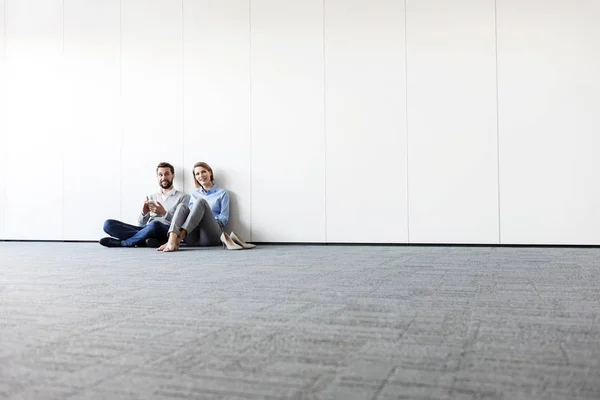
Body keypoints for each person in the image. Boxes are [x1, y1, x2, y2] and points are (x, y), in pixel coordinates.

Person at [158, 161, 253, 252]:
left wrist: (205, 217)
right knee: (182, 206)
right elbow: (190, 216)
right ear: (195, 177)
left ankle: (178, 239)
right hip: (192, 237)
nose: (201, 176)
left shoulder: (222, 193)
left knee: (201, 202)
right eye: (197, 174)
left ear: (210, 173)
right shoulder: (194, 194)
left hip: (211, 236)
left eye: (203, 172)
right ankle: (172, 239)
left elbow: (224, 219)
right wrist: (196, 218)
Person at [100, 162, 190, 248]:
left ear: (172, 175)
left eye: (167, 174)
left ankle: (125, 243)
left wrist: (164, 213)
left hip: (166, 231)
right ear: (157, 177)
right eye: (160, 175)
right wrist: (144, 213)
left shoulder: (183, 197)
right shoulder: (151, 197)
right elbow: (141, 224)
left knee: (155, 225)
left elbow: (181, 224)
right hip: (147, 229)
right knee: (108, 224)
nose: (163, 177)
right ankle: (147, 240)